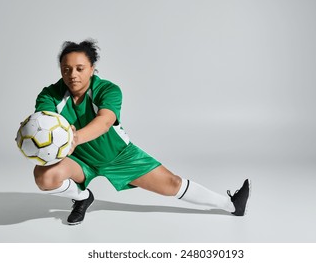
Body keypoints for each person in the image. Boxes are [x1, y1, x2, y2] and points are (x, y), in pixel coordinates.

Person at [33, 39, 251, 225]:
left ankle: (231, 204)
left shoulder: (108, 90)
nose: (72, 75)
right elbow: (44, 124)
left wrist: (76, 137)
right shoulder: (50, 95)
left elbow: (105, 121)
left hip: (119, 156)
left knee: (173, 183)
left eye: (80, 68)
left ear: (92, 68)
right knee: (44, 176)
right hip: (79, 159)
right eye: (66, 69)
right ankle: (83, 197)